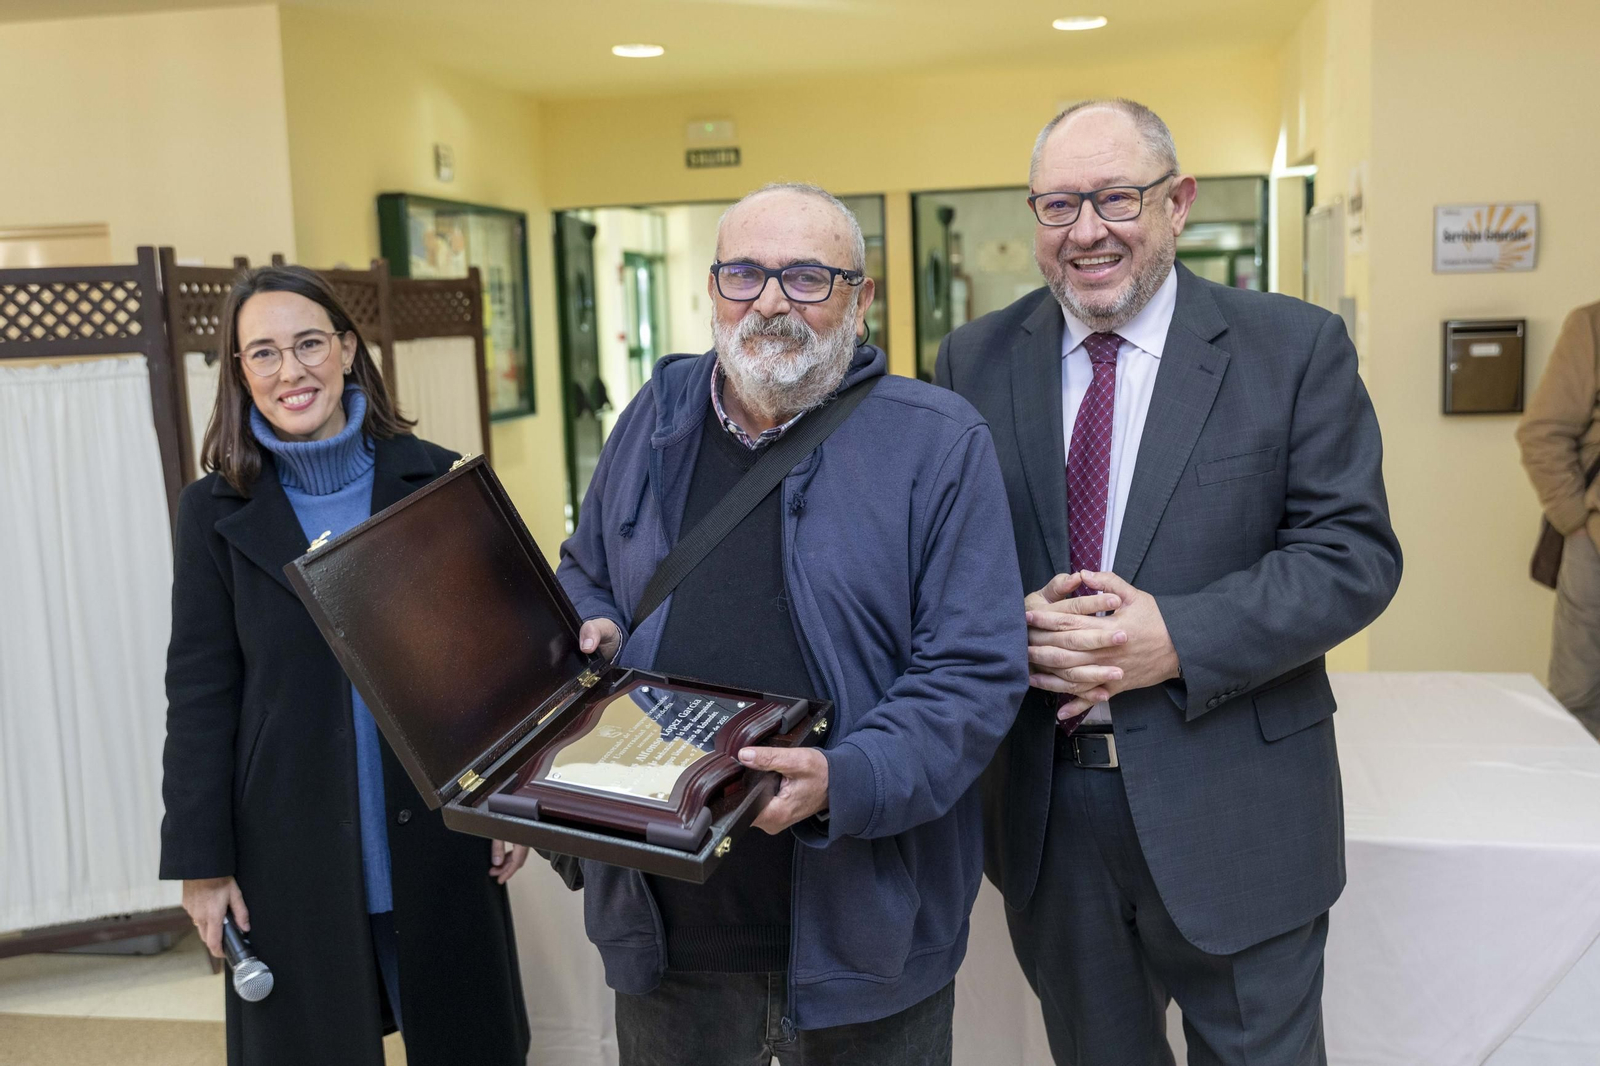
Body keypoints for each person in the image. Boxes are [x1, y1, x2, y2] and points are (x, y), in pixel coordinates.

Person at [936, 99, 1402, 1065]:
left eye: (1117, 198)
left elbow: (1352, 556)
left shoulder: (1292, 349)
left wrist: (1177, 639)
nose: (1087, 231)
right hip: (1049, 820)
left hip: (1238, 812)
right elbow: (939, 564)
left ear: (1178, 203)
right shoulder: (973, 361)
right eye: (1059, 205)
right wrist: (1003, 623)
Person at [557, 182, 1028, 1065]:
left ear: (861, 297)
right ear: (713, 287)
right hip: (668, 937)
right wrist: (597, 623)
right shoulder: (654, 419)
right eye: (744, 274)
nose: (770, 302)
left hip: (866, 939)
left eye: (807, 277)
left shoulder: (937, 441)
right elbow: (585, 569)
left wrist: (845, 779)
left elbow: (974, 672)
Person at [160, 266, 531, 1065]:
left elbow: (490, 666)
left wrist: (507, 797)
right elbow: (199, 695)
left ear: (349, 350)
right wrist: (201, 865)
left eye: (308, 344)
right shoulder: (211, 512)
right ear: (239, 373)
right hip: (287, 850)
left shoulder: (436, 479)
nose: (290, 371)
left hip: (437, 838)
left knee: (468, 1043)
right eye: (263, 354)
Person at [1517, 302, 1600, 738]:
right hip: (1595, 551)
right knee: (1579, 701)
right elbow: (1542, 434)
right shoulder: (1592, 325)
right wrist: (1576, 523)